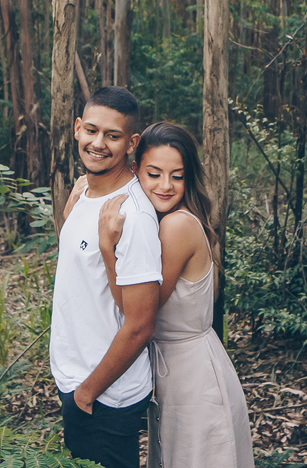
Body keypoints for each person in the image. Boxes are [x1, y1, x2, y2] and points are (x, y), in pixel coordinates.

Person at [92, 121, 255, 468]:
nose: (166, 186)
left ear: (189, 177)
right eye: (154, 174)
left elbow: (134, 312)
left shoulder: (176, 225)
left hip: (194, 380)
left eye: (177, 176)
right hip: (179, 373)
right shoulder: (160, 220)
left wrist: (108, 248)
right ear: (136, 171)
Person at [50, 86, 162, 468]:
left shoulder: (134, 215)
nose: (98, 143)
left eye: (112, 136)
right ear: (77, 128)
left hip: (106, 396)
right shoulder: (83, 191)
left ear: (131, 142)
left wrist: (87, 393)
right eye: (92, 130)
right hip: (76, 381)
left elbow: (141, 324)